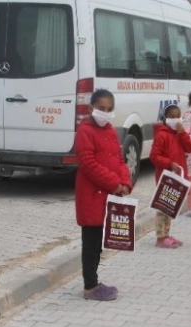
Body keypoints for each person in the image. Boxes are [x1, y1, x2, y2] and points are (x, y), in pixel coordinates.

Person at [74, 89, 132, 301]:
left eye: (109, 109)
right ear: (91, 109)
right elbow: (88, 164)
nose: (105, 113)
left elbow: (120, 160)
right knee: (90, 242)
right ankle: (90, 286)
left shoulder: (110, 130)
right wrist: (114, 183)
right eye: (101, 109)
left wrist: (125, 182)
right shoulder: (85, 131)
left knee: (98, 243)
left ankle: (94, 282)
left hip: (108, 196)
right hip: (91, 196)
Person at [150, 104, 191, 248]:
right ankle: (160, 237)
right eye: (172, 117)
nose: (175, 119)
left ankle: (167, 234)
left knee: (170, 207)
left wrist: (183, 133)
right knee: (163, 207)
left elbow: (190, 148)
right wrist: (169, 163)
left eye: (178, 116)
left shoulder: (179, 133)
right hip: (166, 176)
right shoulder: (161, 135)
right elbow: (154, 156)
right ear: (165, 118)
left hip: (178, 176)